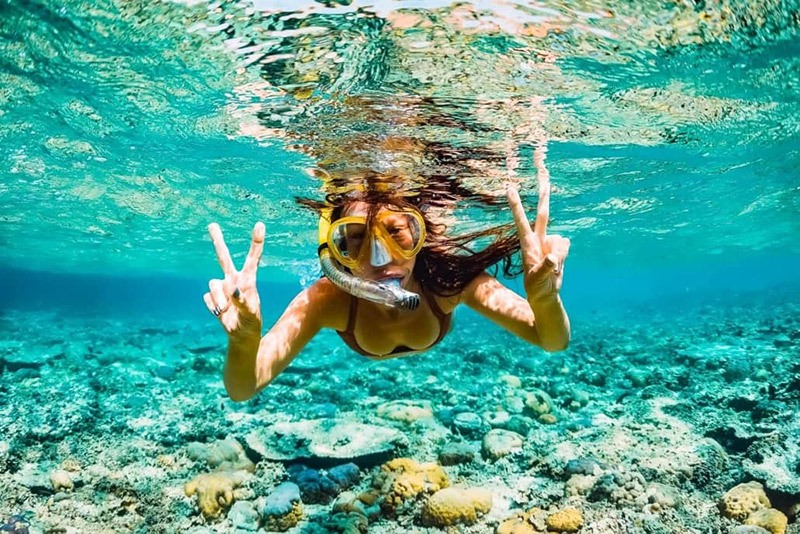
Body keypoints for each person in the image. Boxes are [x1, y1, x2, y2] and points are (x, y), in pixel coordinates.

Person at [204, 172, 570, 402]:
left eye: (397, 232)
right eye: (357, 238)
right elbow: (242, 388)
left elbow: (551, 340)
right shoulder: (327, 299)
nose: (379, 259)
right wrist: (243, 342)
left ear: (420, 237)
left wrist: (544, 299)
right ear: (338, 252)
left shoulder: (445, 282)